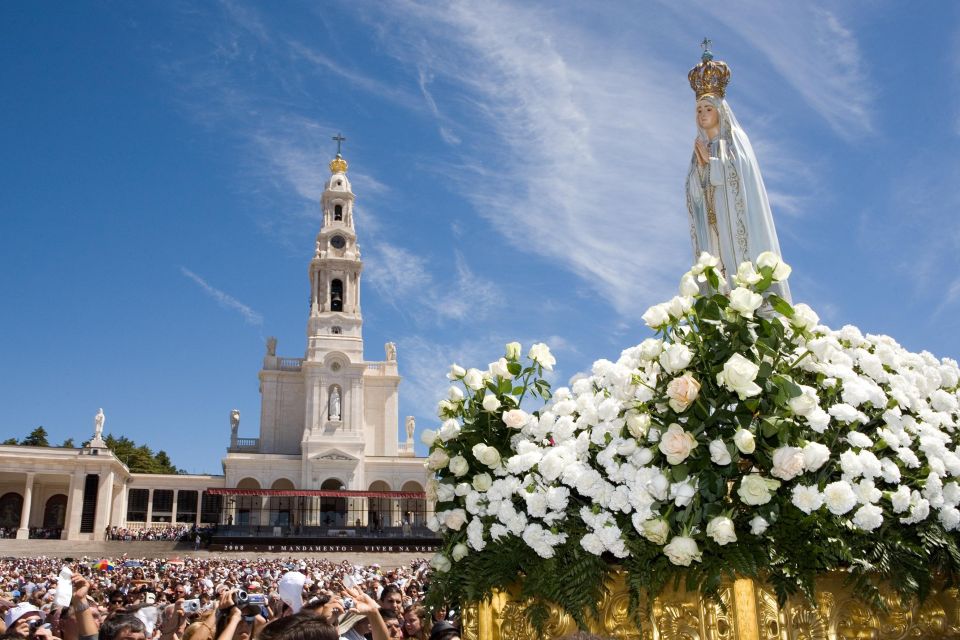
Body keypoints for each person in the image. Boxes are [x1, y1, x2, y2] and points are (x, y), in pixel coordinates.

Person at [685, 44, 791, 302]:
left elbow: (741, 177)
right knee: (716, 278)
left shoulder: (735, 140)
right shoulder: (699, 148)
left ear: (720, 111)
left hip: (736, 229)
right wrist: (700, 171)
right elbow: (694, 196)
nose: (702, 115)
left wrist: (712, 165)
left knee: (741, 280)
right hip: (712, 229)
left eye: (708, 108)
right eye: (698, 110)